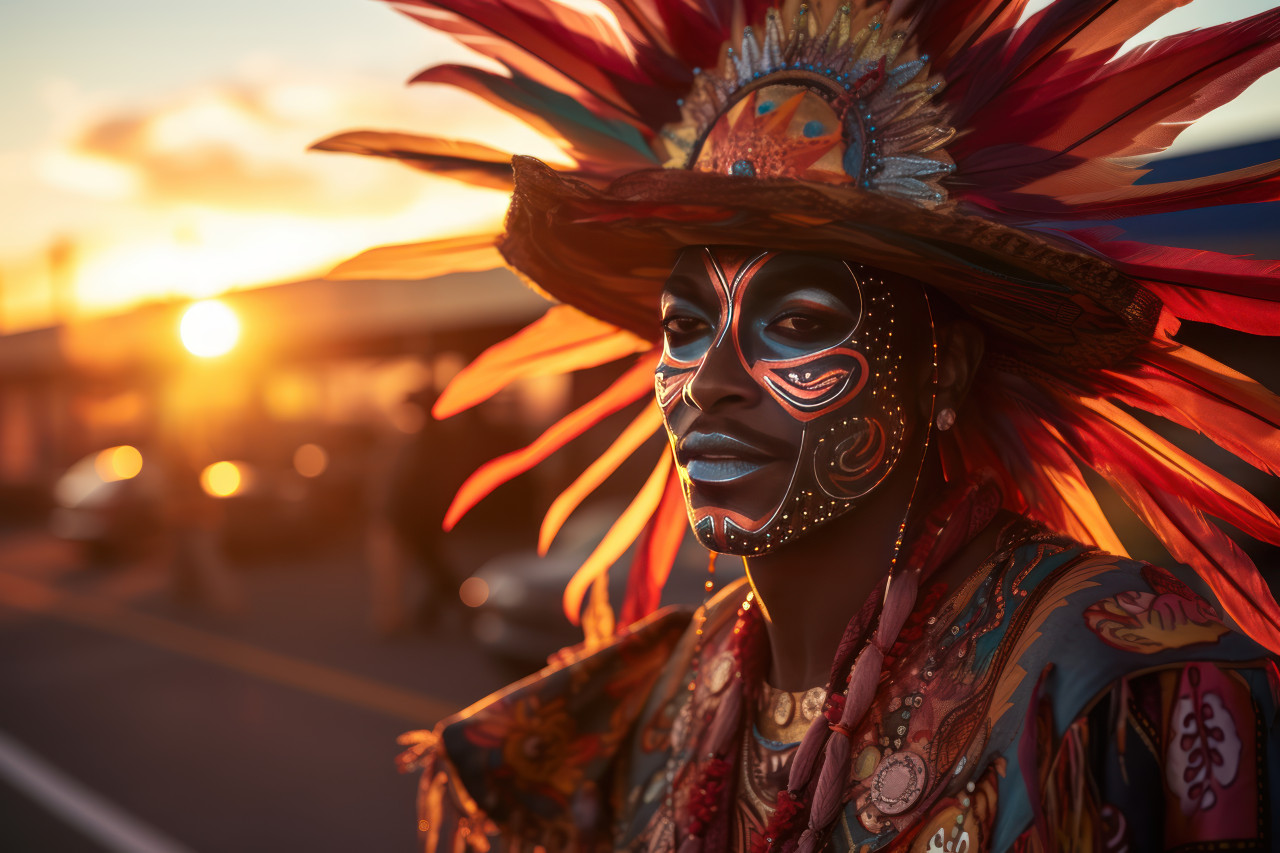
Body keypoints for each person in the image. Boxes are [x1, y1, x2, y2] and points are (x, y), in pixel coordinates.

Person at [319, 1, 1280, 850]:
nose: (709, 383)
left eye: (797, 324)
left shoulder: (1106, 691)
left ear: (943, 368)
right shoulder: (665, 695)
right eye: (685, 327)